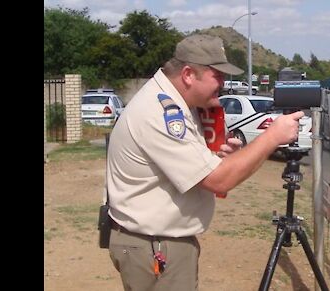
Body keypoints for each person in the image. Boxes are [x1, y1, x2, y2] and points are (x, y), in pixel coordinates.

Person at [103, 34, 306, 291]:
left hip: (158, 241)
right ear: (189, 74)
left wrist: (225, 160)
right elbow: (220, 180)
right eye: (217, 75)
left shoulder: (177, 103)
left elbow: (207, 174)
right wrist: (272, 136)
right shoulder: (161, 113)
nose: (223, 83)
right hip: (155, 244)